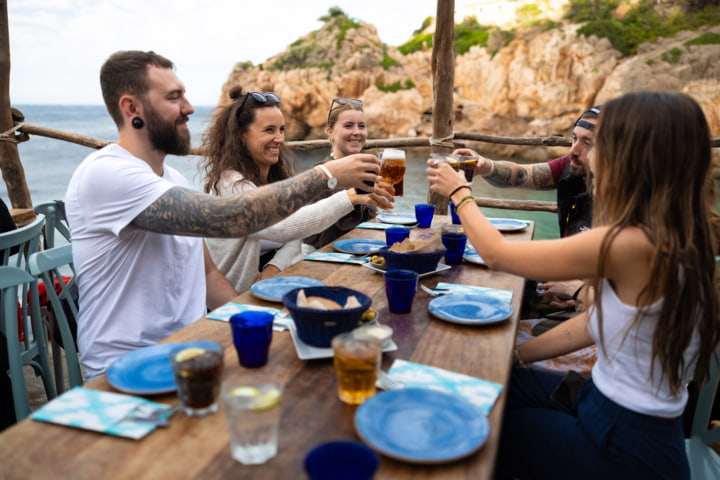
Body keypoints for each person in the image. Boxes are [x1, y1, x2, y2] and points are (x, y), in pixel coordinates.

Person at [428, 91, 720, 479]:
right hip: (609, 409)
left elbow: (496, 254)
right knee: (485, 383)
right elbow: (593, 323)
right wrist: (514, 357)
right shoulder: (690, 230)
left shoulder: (628, 243)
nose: (585, 153)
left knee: (480, 432)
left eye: (601, 142)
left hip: (628, 448)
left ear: (628, 155)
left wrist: (459, 192)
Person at [65, 51, 381, 380]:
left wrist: (251, 320)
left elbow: (206, 274)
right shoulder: (107, 175)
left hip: (193, 350)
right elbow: (229, 218)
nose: (188, 108)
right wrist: (327, 175)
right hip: (128, 368)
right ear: (132, 109)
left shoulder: (174, 179)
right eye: (174, 98)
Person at [200, 87, 393, 293]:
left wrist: (272, 268)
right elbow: (285, 227)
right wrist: (349, 196)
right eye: (269, 130)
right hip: (231, 300)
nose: (279, 139)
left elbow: (295, 236)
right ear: (241, 136)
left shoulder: (270, 177)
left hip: (268, 286)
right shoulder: (231, 184)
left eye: (281, 129)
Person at [455, 107, 601, 309]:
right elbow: (523, 174)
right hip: (571, 292)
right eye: (573, 139)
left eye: (587, 143)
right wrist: (486, 165)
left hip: (592, 309)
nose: (573, 151)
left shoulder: (628, 204)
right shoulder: (572, 167)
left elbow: (494, 254)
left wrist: (459, 192)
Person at [304, 97, 387, 249]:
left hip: (360, 251)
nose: (357, 132)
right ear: (330, 132)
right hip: (321, 256)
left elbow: (370, 221)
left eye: (361, 126)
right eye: (348, 126)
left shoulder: (367, 171)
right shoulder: (320, 174)